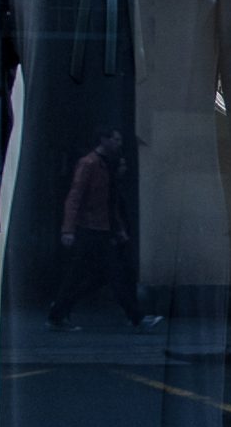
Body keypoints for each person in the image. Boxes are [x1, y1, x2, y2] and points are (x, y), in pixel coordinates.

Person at [47, 129, 160, 331]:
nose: (118, 143)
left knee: (86, 276)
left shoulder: (105, 163)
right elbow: (76, 196)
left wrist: (118, 229)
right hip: (91, 229)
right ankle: (136, 318)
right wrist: (68, 229)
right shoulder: (90, 163)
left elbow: (108, 202)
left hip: (99, 228)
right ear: (104, 140)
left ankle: (58, 313)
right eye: (115, 139)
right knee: (106, 274)